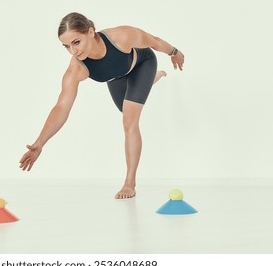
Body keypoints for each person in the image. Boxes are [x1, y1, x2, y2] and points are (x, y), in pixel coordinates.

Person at [19, 12, 184, 199]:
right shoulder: (77, 68)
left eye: (76, 42)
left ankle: (130, 183)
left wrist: (174, 52)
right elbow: (61, 107)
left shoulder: (121, 37)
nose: (73, 51)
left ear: (90, 32)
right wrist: (40, 142)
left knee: (129, 120)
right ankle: (150, 82)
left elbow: (154, 41)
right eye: (66, 46)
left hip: (142, 64)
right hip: (115, 77)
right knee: (125, 107)